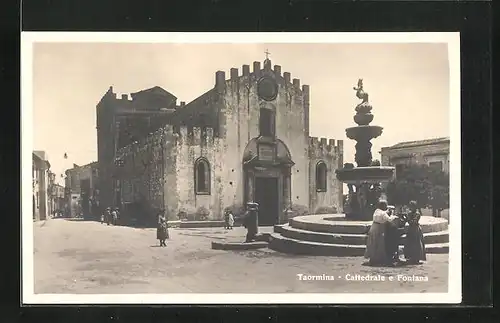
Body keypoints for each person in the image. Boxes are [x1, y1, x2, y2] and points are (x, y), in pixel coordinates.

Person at [364, 200, 399, 266]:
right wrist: (394, 216)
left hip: (374, 227)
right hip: (379, 228)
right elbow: (389, 219)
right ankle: (378, 258)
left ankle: (373, 257)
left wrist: (387, 211)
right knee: (378, 242)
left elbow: (382, 214)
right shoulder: (383, 213)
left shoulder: (377, 211)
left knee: (373, 242)